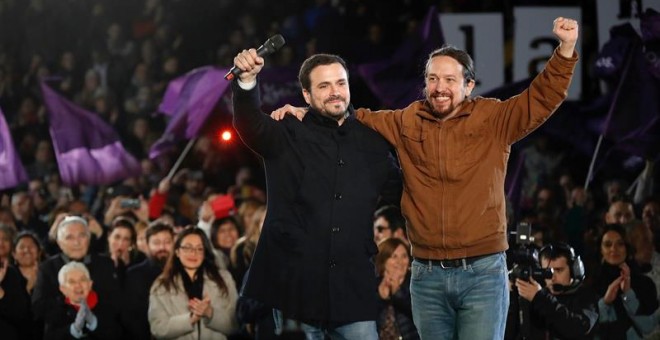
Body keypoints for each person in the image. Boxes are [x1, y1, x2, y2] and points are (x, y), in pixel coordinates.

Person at [273, 17, 579, 339]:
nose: (440, 87)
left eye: (449, 79)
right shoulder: (406, 120)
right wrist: (310, 112)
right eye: (432, 78)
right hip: (426, 277)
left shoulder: (494, 118)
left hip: (482, 273)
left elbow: (541, 99)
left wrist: (565, 50)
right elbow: (354, 120)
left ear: (469, 85)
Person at [231, 50, 401, 339]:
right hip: (295, 288)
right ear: (306, 95)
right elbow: (250, 124)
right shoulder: (287, 131)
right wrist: (246, 81)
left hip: (352, 290)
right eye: (324, 86)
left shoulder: (373, 142)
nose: (335, 92)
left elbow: (403, 194)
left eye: (340, 83)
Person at [32, 216, 121, 335]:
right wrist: (70, 305)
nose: (76, 242)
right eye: (69, 237)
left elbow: (115, 303)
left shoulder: (105, 264)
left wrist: (93, 321)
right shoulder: (48, 268)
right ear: (59, 242)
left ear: (89, 238)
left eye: (82, 236)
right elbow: (39, 308)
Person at [148, 226, 238, 339]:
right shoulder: (161, 285)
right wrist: (190, 319)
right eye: (187, 248)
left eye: (199, 249)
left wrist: (210, 313)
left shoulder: (224, 279)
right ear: (177, 251)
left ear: (205, 253)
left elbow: (235, 325)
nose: (193, 253)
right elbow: (157, 329)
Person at [511, 242, 599, 339]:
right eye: (546, 271)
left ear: (574, 270)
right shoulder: (535, 296)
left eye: (559, 270)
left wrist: (540, 298)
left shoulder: (586, 296)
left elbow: (579, 328)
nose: (552, 277)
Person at [590, 224, 658, 339]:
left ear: (627, 247)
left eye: (620, 244)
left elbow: (647, 327)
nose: (613, 249)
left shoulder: (644, 283)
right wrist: (605, 303)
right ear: (601, 250)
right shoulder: (592, 284)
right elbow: (589, 329)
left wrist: (628, 294)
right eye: (607, 244)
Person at [123, 221, 175, 339]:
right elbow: (132, 318)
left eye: (167, 242)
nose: (162, 247)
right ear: (147, 245)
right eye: (156, 243)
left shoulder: (183, 272)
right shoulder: (134, 275)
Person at [43, 261, 119, 339]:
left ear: (90, 284)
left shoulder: (107, 304)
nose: (78, 285)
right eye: (72, 282)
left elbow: (117, 334)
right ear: (63, 289)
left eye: (82, 280)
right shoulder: (54, 309)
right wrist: (73, 329)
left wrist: (94, 323)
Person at [375, 238, 419, 340]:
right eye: (394, 256)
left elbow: (420, 316)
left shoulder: (415, 284)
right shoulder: (373, 285)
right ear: (384, 260)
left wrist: (397, 293)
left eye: (404, 256)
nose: (400, 262)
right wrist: (381, 298)